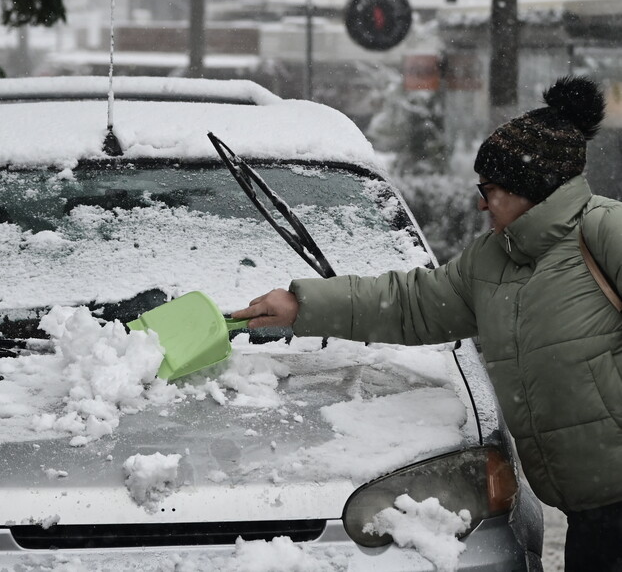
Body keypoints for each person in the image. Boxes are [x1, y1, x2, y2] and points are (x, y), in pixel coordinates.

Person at [232, 75, 622, 571]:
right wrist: (302, 305)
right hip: (590, 514)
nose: (481, 203)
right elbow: (411, 304)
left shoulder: (605, 229)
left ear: (532, 189)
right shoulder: (491, 262)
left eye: (490, 189)